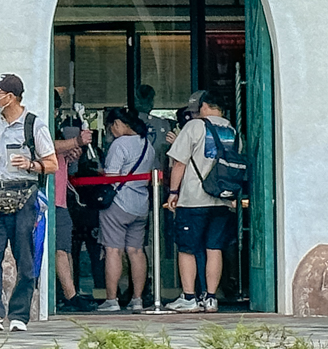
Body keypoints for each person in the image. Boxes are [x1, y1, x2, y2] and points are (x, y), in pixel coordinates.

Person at [0, 73, 56, 332]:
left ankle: (19, 315)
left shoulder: (33, 125)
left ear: (11, 96)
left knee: (25, 260)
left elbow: (52, 164)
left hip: (24, 197)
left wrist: (30, 164)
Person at [164, 89, 237, 313]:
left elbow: (179, 163)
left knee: (187, 248)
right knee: (214, 247)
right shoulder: (231, 130)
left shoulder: (195, 126)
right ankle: (211, 298)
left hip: (194, 198)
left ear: (204, 106)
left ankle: (189, 297)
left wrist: (173, 192)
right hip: (222, 199)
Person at [97, 107, 157, 312]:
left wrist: (99, 172)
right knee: (137, 251)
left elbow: (112, 175)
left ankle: (112, 300)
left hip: (119, 203)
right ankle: (137, 299)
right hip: (141, 204)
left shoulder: (120, 144)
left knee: (113, 250)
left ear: (117, 124)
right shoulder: (147, 144)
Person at [52, 107, 95, 311]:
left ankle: (70, 292)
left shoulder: (56, 129)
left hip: (60, 199)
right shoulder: (38, 128)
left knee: (65, 248)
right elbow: (46, 147)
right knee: (60, 249)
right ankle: (69, 295)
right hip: (48, 200)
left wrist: (70, 155)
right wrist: (76, 142)